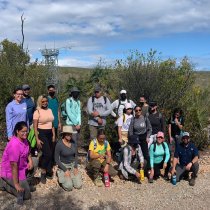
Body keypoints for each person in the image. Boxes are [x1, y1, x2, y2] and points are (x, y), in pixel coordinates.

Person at [0, 122, 36, 204]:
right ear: (17, 131)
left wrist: (30, 160)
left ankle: (26, 183)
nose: (25, 133)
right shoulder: (14, 145)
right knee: (27, 195)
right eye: (22, 131)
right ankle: (4, 184)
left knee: (35, 160)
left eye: (26, 131)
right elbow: (13, 165)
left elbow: (28, 152)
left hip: (21, 168)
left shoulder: (25, 140)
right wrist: (16, 184)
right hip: (10, 171)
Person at [33, 95, 55, 184]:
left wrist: (53, 135)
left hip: (50, 133)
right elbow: (35, 127)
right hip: (41, 133)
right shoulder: (37, 111)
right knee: (47, 153)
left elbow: (51, 123)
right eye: (43, 101)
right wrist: (37, 139)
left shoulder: (50, 110)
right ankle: (43, 171)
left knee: (50, 152)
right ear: (40, 102)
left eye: (46, 101)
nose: (45, 103)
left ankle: (49, 170)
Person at [55, 126, 82, 191]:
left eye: (70, 134)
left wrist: (75, 167)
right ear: (64, 134)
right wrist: (65, 170)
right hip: (63, 165)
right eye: (67, 134)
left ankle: (71, 176)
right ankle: (61, 175)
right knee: (69, 187)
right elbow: (56, 159)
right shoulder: (59, 144)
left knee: (78, 185)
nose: (69, 135)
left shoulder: (73, 143)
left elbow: (76, 155)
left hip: (72, 164)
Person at [128, 105, 152, 171]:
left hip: (144, 137)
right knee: (136, 154)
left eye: (139, 110)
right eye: (136, 110)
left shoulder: (144, 118)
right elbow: (130, 130)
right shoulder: (133, 119)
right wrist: (131, 140)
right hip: (136, 138)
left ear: (141, 111)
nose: (138, 111)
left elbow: (150, 128)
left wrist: (148, 136)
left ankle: (148, 170)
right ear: (134, 111)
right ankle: (135, 169)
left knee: (146, 154)